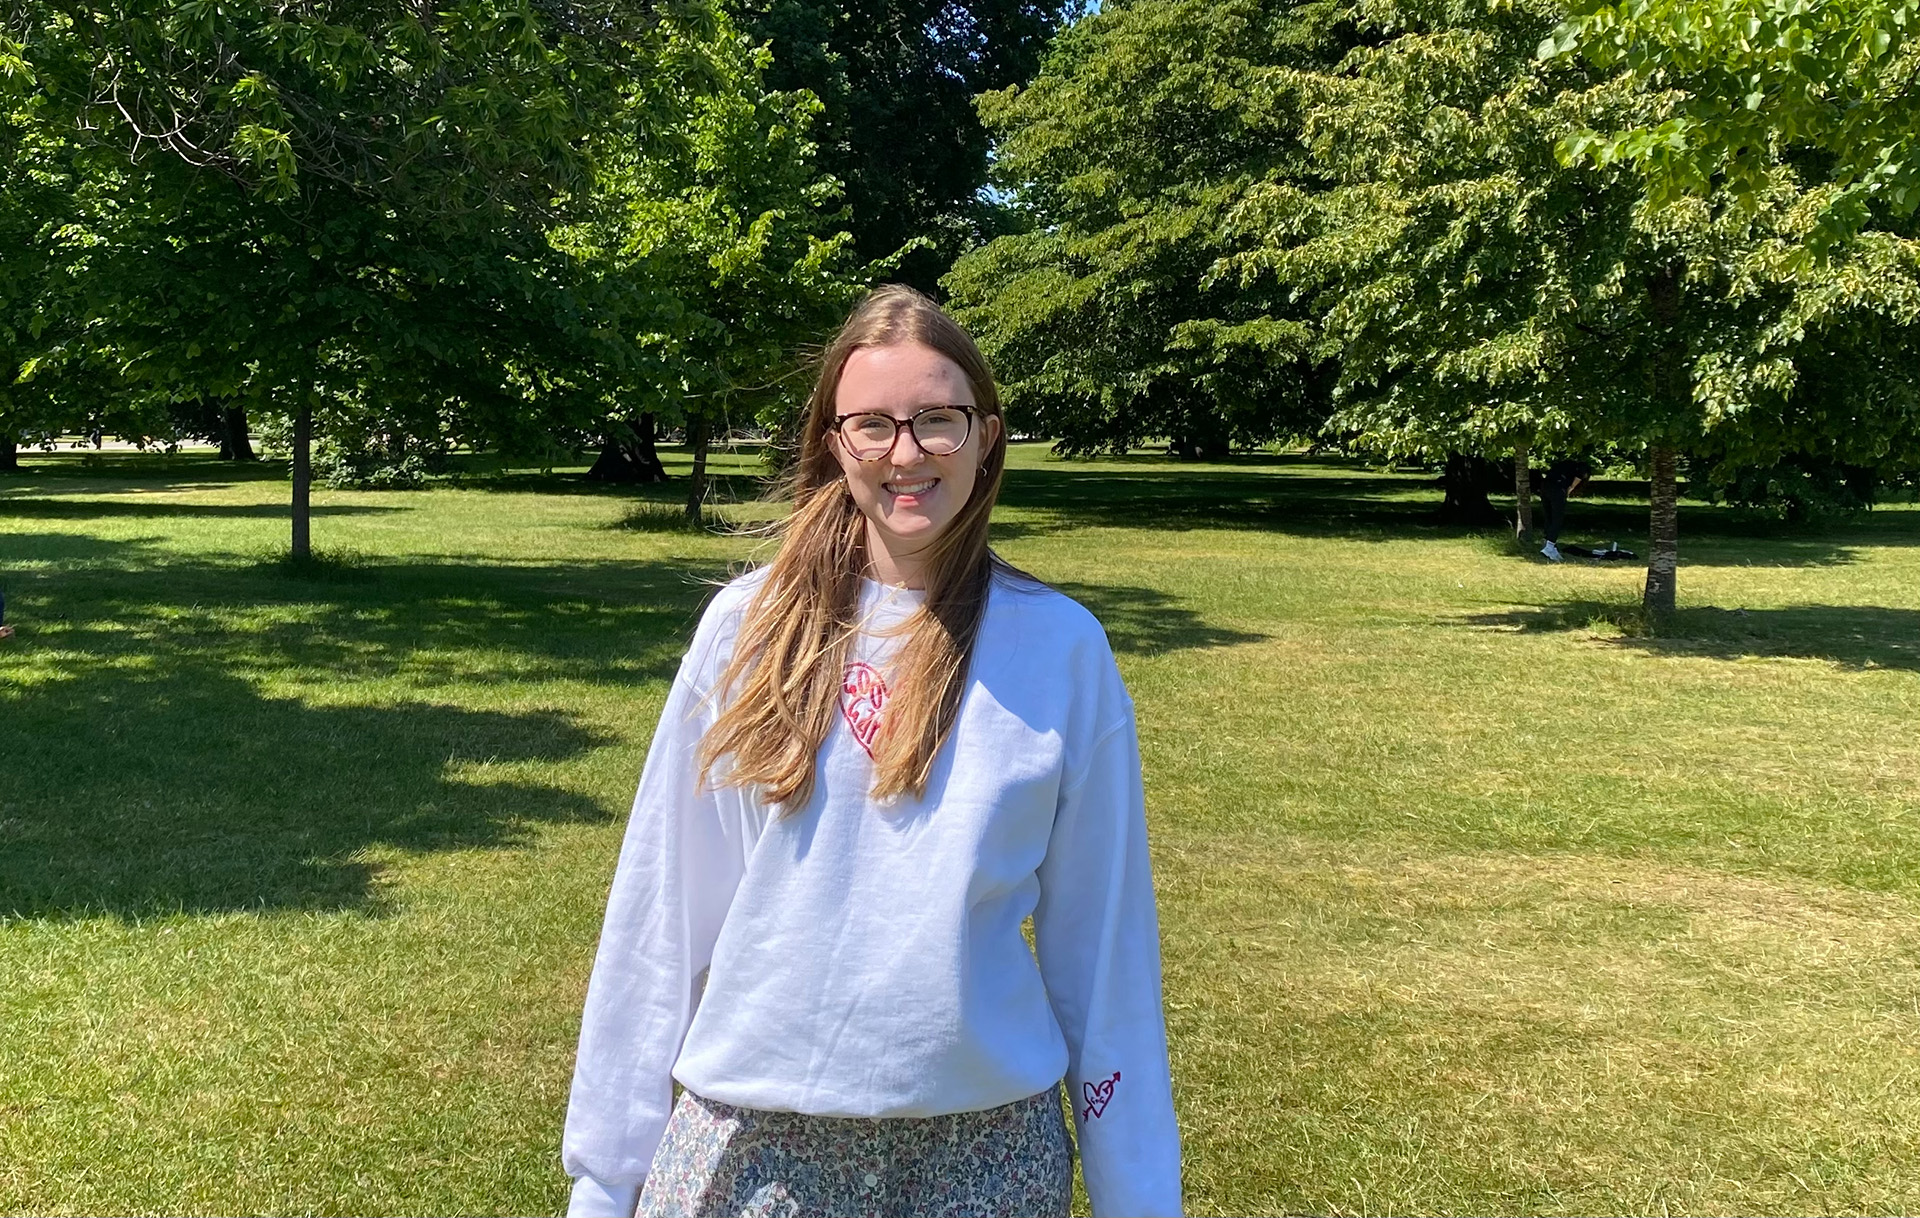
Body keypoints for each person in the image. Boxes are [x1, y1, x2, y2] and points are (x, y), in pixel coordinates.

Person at [562, 285, 1184, 1218]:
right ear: (831, 441)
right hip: (755, 1144)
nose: (907, 453)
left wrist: (1141, 1196)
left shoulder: (1060, 650)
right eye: (873, 425)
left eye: (938, 420)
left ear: (987, 435)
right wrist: (605, 1181)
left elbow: (1104, 958)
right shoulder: (747, 632)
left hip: (987, 1153)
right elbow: (662, 917)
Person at [1538, 455, 1592, 562]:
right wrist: (1570, 489)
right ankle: (1549, 546)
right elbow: (1580, 475)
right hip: (1557, 489)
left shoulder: (1564, 465)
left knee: (1549, 516)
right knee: (1557, 518)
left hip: (1545, 487)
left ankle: (1548, 543)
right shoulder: (1581, 468)